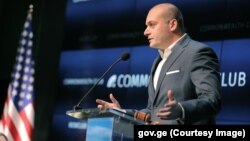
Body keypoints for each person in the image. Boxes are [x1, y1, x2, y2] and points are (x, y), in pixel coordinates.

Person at [96, 3, 221, 125]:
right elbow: (152, 111)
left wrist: (181, 109)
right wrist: (121, 112)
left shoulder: (198, 52)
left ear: (172, 24)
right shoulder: (158, 60)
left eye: (152, 25)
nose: (145, 32)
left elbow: (211, 100)